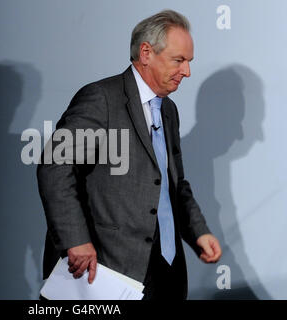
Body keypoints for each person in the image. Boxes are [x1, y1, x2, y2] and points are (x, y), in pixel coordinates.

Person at [37, 9, 222, 300]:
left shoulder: (168, 110)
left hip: (166, 270)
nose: (187, 71)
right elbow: (55, 165)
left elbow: (173, 184)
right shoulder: (101, 99)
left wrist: (198, 232)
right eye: (179, 60)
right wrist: (75, 239)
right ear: (146, 53)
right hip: (107, 269)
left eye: (189, 62)